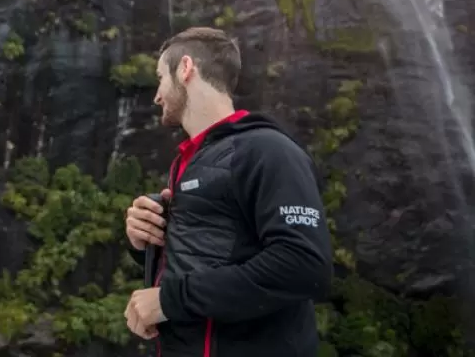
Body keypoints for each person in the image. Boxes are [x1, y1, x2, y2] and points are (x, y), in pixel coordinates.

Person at [122, 27, 333, 356]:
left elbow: (304, 265)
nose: (157, 96)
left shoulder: (268, 149)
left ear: (185, 68)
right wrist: (146, 244)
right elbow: (210, 260)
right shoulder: (187, 162)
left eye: (161, 77)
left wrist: (168, 300)